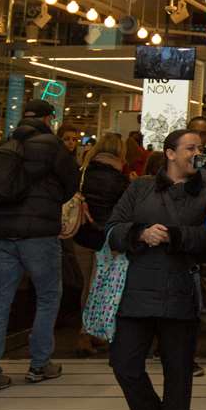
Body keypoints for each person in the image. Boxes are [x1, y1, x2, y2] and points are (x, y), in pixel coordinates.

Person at [106, 128, 206, 410]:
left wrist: (177, 236)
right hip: (136, 290)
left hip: (181, 289)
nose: (196, 153)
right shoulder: (139, 188)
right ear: (169, 153)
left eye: (200, 148)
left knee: (178, 371)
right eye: (190, 147)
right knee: (124, 364)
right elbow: (113, 229)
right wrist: (140, 233)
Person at [0, 98, 80, 396]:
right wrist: (51, 200)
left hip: (1, 233)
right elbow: (71, 181)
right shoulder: (52, 145)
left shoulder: (3, 145)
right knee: (48, 295)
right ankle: (39, 365)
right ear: (49, 119)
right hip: (38, 235)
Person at [71, 133, 130, 357]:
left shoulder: (83, 173)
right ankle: (87, 333)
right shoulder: (120, 179)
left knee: (86, 284)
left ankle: (90, 331)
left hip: (81, 235)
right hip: (106, 239)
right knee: (101, 287)